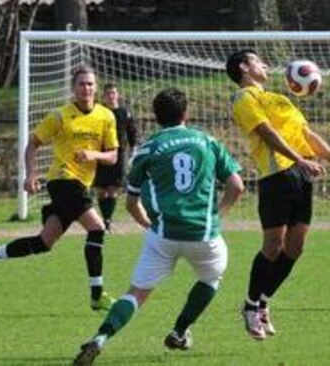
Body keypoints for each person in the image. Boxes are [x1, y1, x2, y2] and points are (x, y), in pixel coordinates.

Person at [72, 88, 244, 365]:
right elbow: (237, 186)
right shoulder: (208, 141)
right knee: (211, 278)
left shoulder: (148, 149)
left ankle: (100, 338)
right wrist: (217, 215)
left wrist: (146, 224)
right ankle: (179, 330)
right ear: (186, 113)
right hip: (204, 236)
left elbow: (131, 203)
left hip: (163, 235)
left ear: (155, 117)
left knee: (136, 294)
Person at [225, 49, 330, 340]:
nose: (264, 64)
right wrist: (298, 159)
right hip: (277, 176)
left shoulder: (282, 99)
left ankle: (263, 302)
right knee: (273, 246)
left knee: (295, 247)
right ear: (244, 67)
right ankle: (250, 306)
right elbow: (265, 132)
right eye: (257, 60)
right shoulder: (245, 98)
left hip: (301, 174)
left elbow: (308, 136)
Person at [0, 64, 119, 311]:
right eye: (81, 84)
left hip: (81, 184)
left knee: (44, 243)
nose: (86, 88)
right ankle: (96, 295)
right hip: (62, 180)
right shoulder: (59, 116)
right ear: (73, 88)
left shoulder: (106, 116)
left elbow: (112, 156)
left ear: (96, 87)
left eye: (90, 84)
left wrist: (93, 155)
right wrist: (30, 175)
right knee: (98, 228)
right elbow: (32, 144)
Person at [93, 83, 138, 232]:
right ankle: (105, 220)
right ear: (103, 96)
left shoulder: (125, 112)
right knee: (101, 189)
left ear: (117, 95)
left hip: (120, 153)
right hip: (101, 152)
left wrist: (133, 148)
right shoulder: (98, 111)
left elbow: (132, 132)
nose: (111, 96)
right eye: (108, 93)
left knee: (113, 188)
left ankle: (107, 221)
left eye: (113, 93)